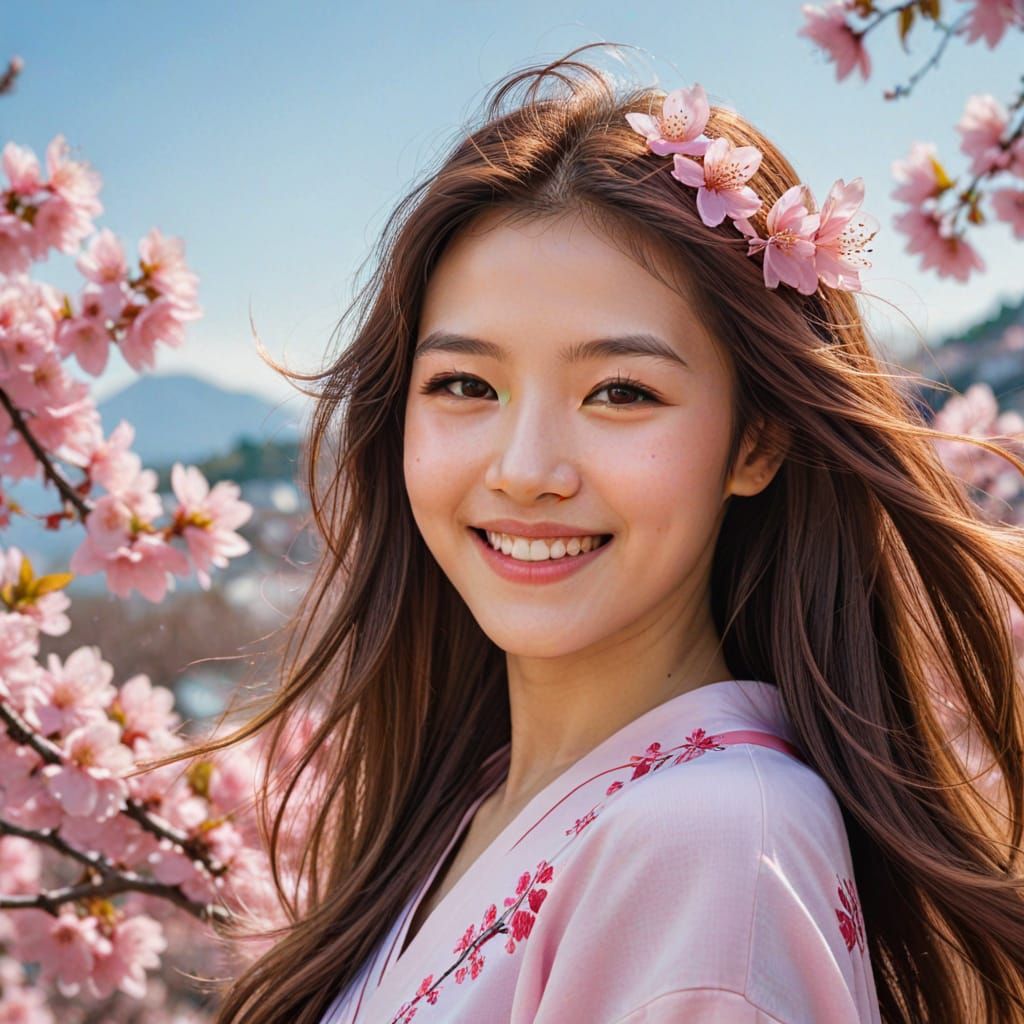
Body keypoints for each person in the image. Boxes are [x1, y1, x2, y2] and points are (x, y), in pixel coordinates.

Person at [150, 42, 1024, 1023]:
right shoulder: (470, 807)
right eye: (465, 386)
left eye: (620, 391)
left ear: (756, 440)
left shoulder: (710, 848)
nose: (524, 468)